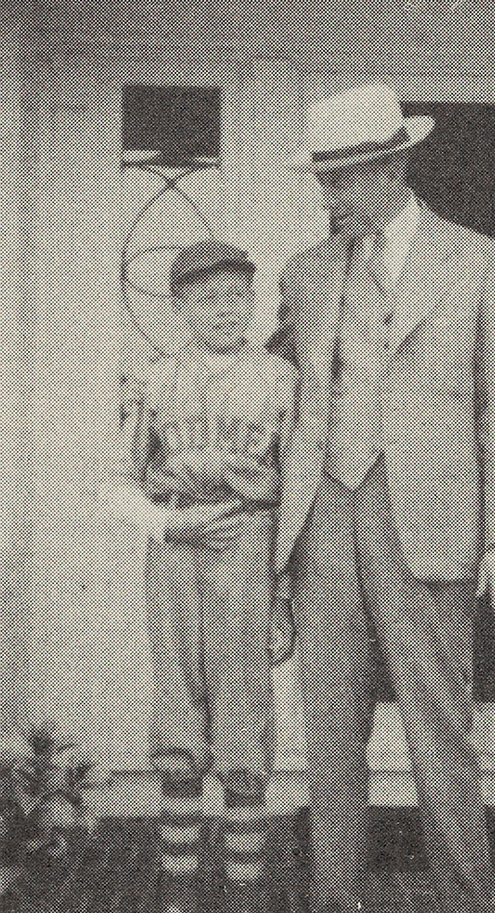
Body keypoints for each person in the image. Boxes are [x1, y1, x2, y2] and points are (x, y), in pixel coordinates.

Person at [268, 84, 495, 913]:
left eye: (341, 180)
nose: (329, 196)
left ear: (392, 167)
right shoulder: (305, 273)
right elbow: (285, 395)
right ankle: (334, 900)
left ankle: (464, 900)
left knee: (439, 729)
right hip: (323, 520)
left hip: (430, 519)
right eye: (322, 181)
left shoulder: (478, 260)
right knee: (330, 737)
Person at [104, 240, 298, 913]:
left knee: (244, 716)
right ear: (181, 306)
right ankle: (177, 891)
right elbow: (113, 485)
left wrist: (282, 595)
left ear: (253, 301)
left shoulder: (278, 379)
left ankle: (244, 894)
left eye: (237, 296)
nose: (225, 310)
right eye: (208, 298)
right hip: (178, 543)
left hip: (248, 541)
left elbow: (296, 493)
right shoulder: (154, 378)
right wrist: (168, 525)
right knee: (179, 711)